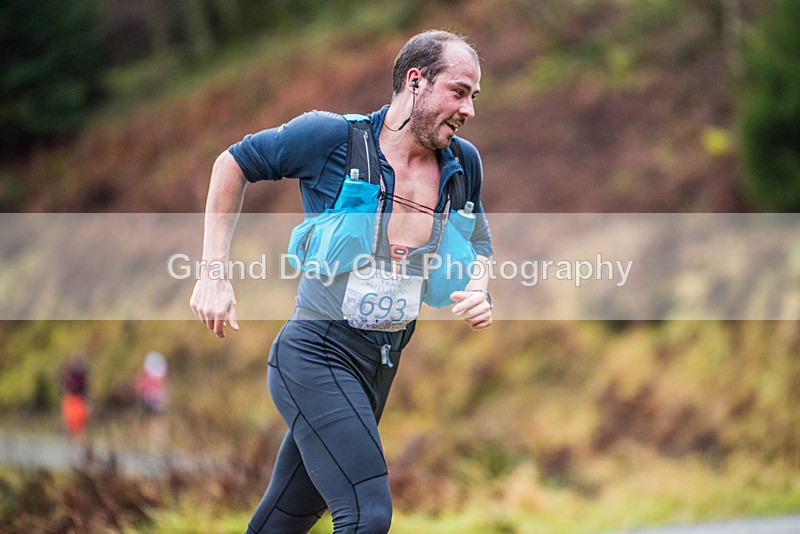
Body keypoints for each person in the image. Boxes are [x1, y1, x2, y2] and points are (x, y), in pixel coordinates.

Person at [190, 30, 493, 534]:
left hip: (378, 369)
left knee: (284, 521)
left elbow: (480, 244)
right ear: (415, 82)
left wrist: (479, 289)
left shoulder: (463, 165)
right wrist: (213, 272)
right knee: (368, 515)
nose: (469, 109)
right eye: (458, 92)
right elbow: (233, 163)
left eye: (474, 97)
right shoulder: (331, 138)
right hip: (314, 354)